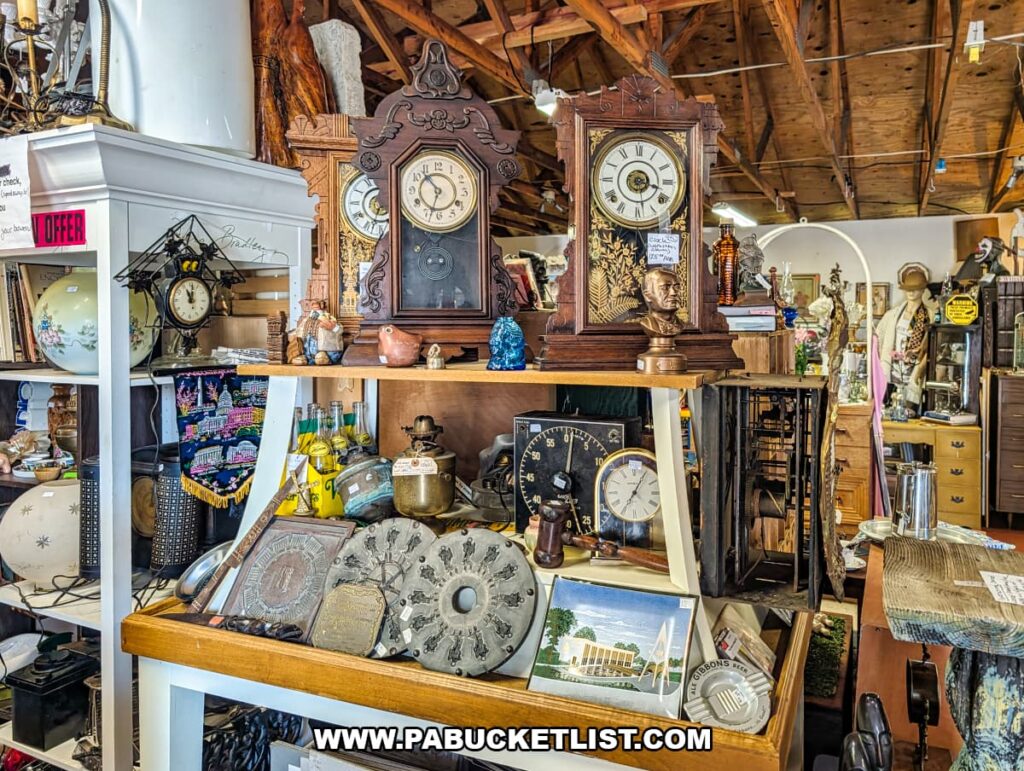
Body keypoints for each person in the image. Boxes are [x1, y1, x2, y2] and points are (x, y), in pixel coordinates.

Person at [876, 264, 930, 409]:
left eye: (915, 289)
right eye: (908, 289)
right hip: (892, 368)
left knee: (909, 409)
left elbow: (930, 346)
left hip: (913, 369)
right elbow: (879, 336)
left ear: (923, 289)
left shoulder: (928, 316)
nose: (911, 293)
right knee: (887, 407)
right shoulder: (893, 315)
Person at [639, 268, 684, 338]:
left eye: (677, 287)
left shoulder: (681, 324)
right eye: (665, 288)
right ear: (647, 296)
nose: (673, 293)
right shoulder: (648, 324)